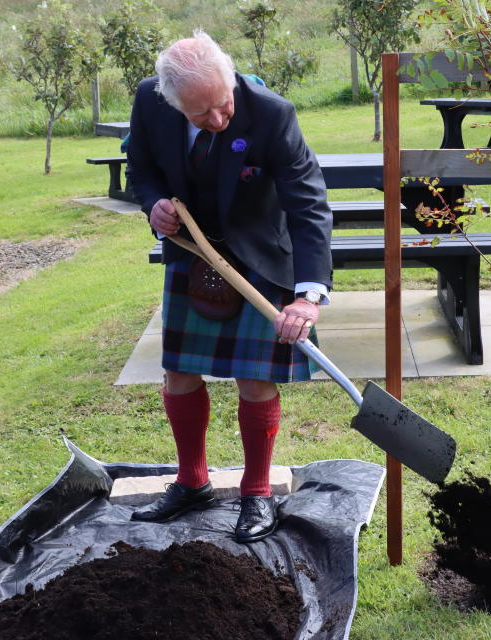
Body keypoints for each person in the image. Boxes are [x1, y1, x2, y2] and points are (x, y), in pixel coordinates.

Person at [126, 30, 332, 543]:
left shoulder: (271, 113)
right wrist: (153, 204)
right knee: (179, 372)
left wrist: (308, 295)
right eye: (201, 115)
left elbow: (307, 204)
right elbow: (142, 170)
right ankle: (192, 481)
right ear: (172, 102)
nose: (218, 120)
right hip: (192, 252)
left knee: (254, 378)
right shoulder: (150, 103)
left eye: (223, 105)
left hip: (260, 253)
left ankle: (257, 492)